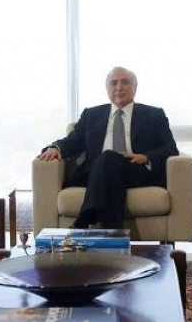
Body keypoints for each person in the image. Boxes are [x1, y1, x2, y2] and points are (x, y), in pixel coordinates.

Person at [37, 67, 179, 228]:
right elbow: (73, 141)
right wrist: (55, 148)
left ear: (134, 87)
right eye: (113, 83)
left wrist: (146, 157)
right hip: (96, 172)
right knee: (108, 159)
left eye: (125, 82)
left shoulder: (154, 115)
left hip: (135, 170)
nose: (119, 87)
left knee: (108, 157)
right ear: (107, 89)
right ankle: (113, 230)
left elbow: (170, 148)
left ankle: (84, 219)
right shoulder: (91, 115)